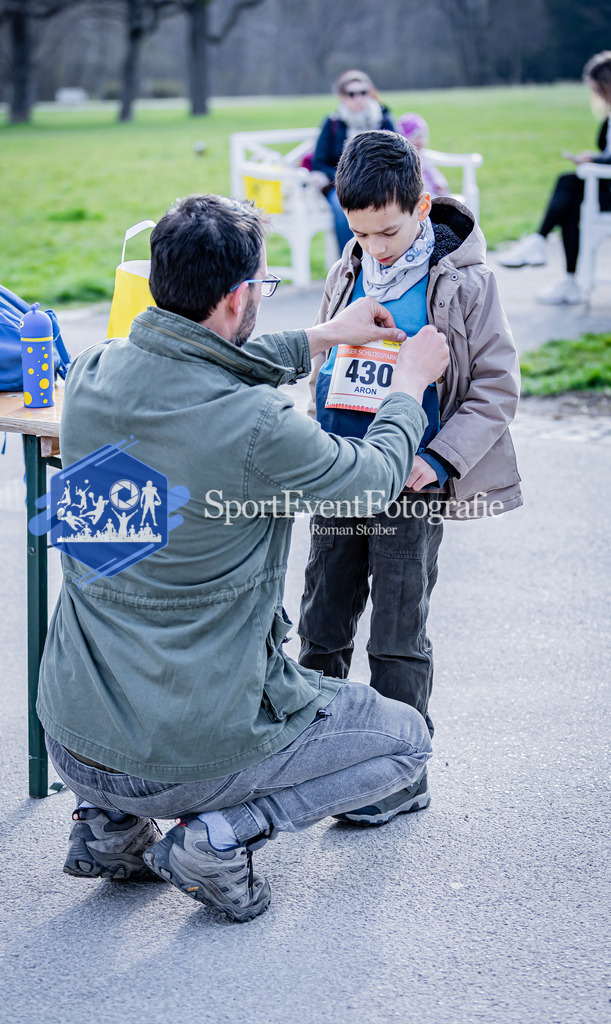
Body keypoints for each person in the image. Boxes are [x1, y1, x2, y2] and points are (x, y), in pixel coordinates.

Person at [37, 193, 450, 923]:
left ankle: (105, 823)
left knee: (119, 589)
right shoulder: (256, 427)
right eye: (259, 287)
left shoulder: (91, 374)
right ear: (236, 299)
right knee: (403, 743)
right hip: (188, 747)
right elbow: (369, 480)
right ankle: (217, 837)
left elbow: (194, 366)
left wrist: (321, 336)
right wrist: (410, 386)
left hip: (73, 732)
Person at [298, 131, 522, 825]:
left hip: (411, 485)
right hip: (339, 474)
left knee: (396, 634)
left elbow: (495, 389)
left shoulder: (466, 284)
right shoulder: (350, 265)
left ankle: (400, 772)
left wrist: (437, 459)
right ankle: (308, 755)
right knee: (320, 623)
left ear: (421, 206)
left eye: (388, 231)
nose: (377, 247)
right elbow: (329, 361)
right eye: (361, 233)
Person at [497, 51, 611, 304]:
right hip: (603, 185)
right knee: (570, 206)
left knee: (567, 182)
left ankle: (539, 243)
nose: (596, 95)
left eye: (597, 89)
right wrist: (595, 158)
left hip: (606, 188)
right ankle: (568, 281)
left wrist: (594, 161)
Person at [310, 70, 396, 253]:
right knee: (344, 209)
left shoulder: (383, 119)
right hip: (342, 185)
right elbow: (319, 162)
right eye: (352, 94)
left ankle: (386, 259)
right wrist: (345, 179)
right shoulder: (333, 123)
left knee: (394, 206)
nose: (358, 98)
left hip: (380, 182)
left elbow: (399, 154)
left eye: (363, 92)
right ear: (342, 96)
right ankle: (350, 263)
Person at [397, 112, 450, 199]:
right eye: (415, 137)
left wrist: (439, 185)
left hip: (432, 195)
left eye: (421, 137)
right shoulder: (405, 159)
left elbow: (433, 173)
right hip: (416, 197)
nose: (420, 141)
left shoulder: (424, 157)